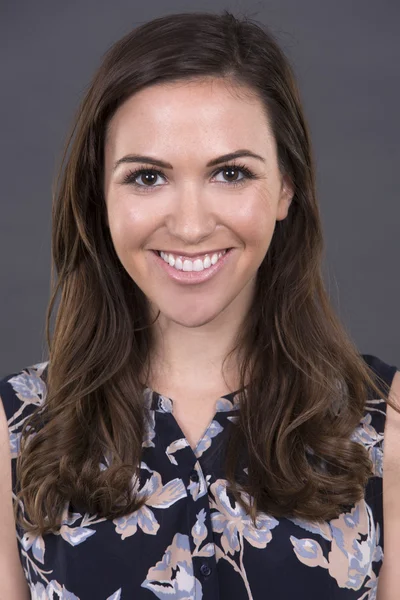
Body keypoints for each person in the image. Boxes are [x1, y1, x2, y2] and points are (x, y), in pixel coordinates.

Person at [0, 9, 399, 600]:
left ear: (285, 187)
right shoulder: (13, 430)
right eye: (147, 178)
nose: (189, 226)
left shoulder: (385, 422)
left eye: (231, 173)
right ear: (99, 194)